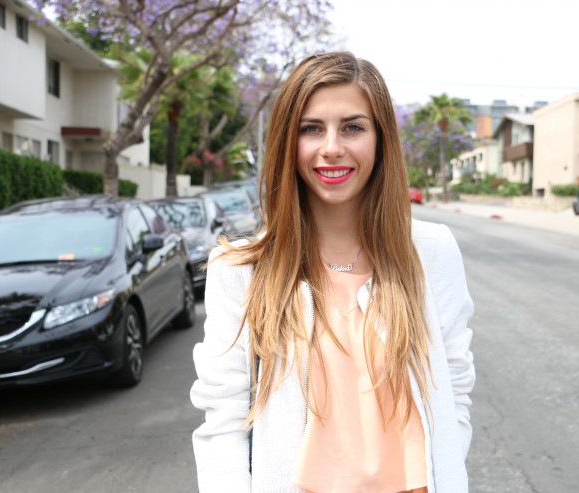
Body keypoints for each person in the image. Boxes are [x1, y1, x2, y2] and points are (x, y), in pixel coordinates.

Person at [190, 51, 475, 493]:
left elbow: (455, 387)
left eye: (353, 127)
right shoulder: (241, 270)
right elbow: (222, 420)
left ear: (380, 139)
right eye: (311, 128)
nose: (331, 148)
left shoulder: (432, 251)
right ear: (289, 141)